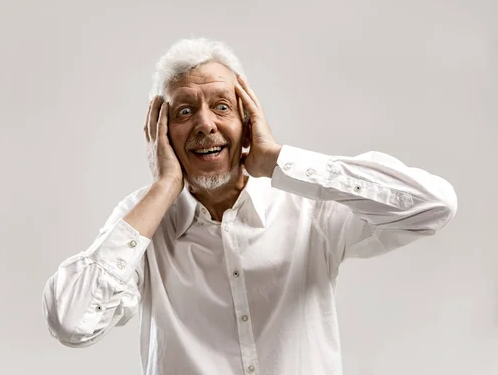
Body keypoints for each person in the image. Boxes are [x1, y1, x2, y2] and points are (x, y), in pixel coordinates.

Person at [42, 38, 458, 375]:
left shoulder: (308, 208)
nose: (205, 123)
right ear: (161, 134)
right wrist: (163, 186)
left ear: (248, 121)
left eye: (221, 106)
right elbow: (72, 321)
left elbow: (433, 205)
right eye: (185, 111)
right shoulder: (143, 224)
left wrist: (279, 161)